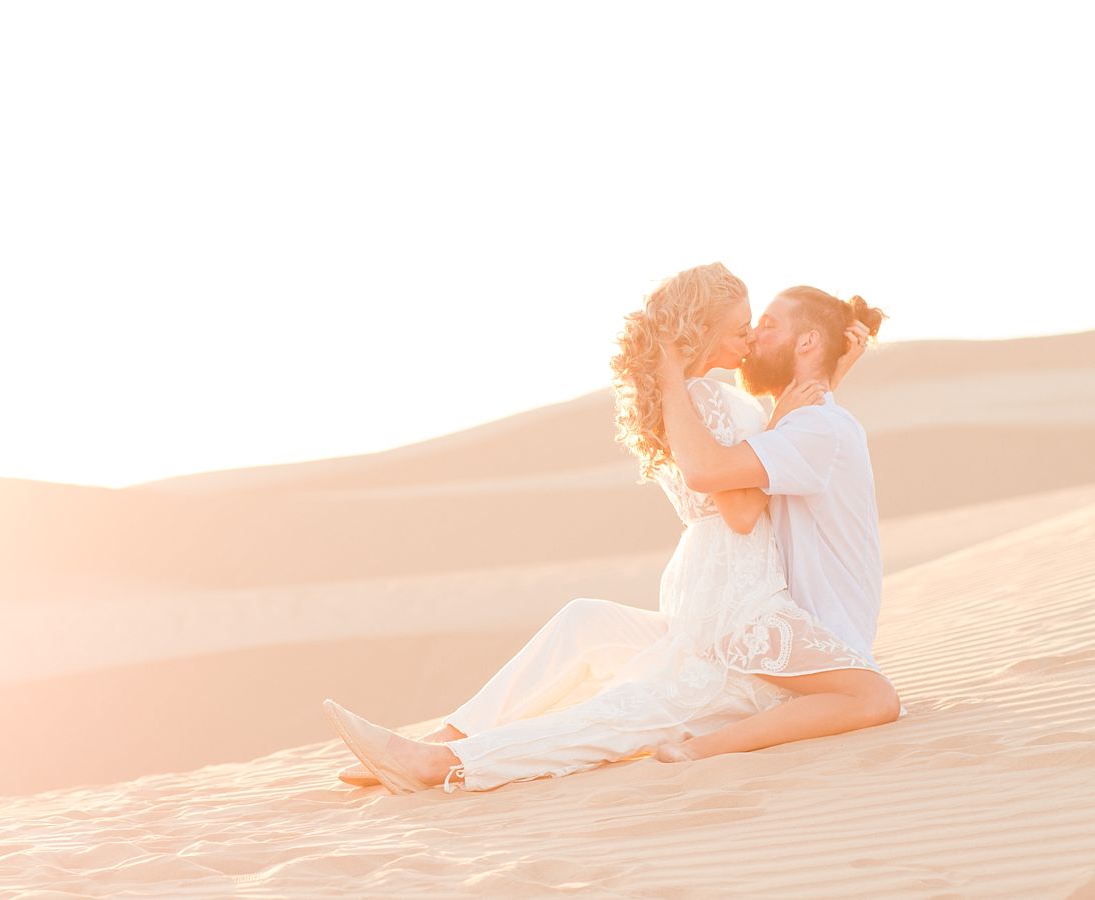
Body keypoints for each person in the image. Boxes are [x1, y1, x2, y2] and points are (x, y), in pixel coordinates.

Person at [322, 263, 900, 794]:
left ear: (805, 342)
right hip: (730, 599)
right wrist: (803, 390)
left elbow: (757, 479)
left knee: (638, 691)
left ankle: (445, 758)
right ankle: (442, 747)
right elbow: (762, 476)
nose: (750, 340)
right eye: (745, 327)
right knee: (604, 650)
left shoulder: (739, 410)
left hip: (733, 606)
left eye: (762, 326)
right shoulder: (747, 408)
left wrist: (798, 387)